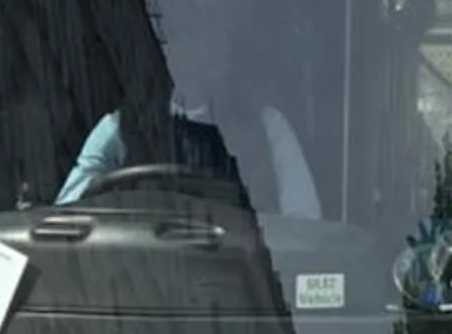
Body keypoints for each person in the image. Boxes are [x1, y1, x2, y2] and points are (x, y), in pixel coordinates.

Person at [58, 23, 322, 217]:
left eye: (206, 44)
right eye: (182, 42)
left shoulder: (267, 126)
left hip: (245, 277)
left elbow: (304, 224)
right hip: (141, 274)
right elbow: (67, 208)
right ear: (163, 55)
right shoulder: (122, 126)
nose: (194, 56)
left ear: (225, 57)